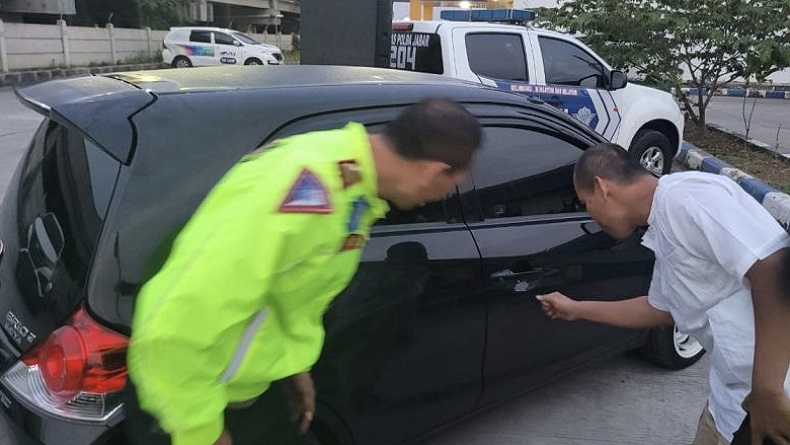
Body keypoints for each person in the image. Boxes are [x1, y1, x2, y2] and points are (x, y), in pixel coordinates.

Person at [125, 97, 483, 445]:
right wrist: (201, 433)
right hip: (185, 404)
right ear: (434, 170)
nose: (442, 197)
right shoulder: (302, 190)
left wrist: (293, 366)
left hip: (235, 392)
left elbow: (286, 290)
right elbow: (176, 324)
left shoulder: (349, 177)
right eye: (449, 186)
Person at [536, 143, 790, 445]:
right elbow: (660, 308)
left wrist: (767, 390)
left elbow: (773, 266)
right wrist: (576, 309)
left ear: (602, 188)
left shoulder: (687, 199)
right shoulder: (662, 226)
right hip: (730, 402)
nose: (590, 216)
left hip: (774, 405)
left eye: (585, 202)